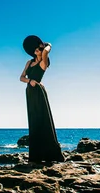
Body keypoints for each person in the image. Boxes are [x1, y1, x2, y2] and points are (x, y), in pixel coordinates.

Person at [20, 35, 64, 163]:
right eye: (35, 50)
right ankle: (36, 155)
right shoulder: (29, 63)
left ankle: (50, 153)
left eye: (38, 49)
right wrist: (30, 80)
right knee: (33, 121)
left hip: (39, 92)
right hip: (29, 91)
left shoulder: (44, 63)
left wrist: (47, 45)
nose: (36, 51)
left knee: (43, 119)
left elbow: (46, 51)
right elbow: (21, 77)